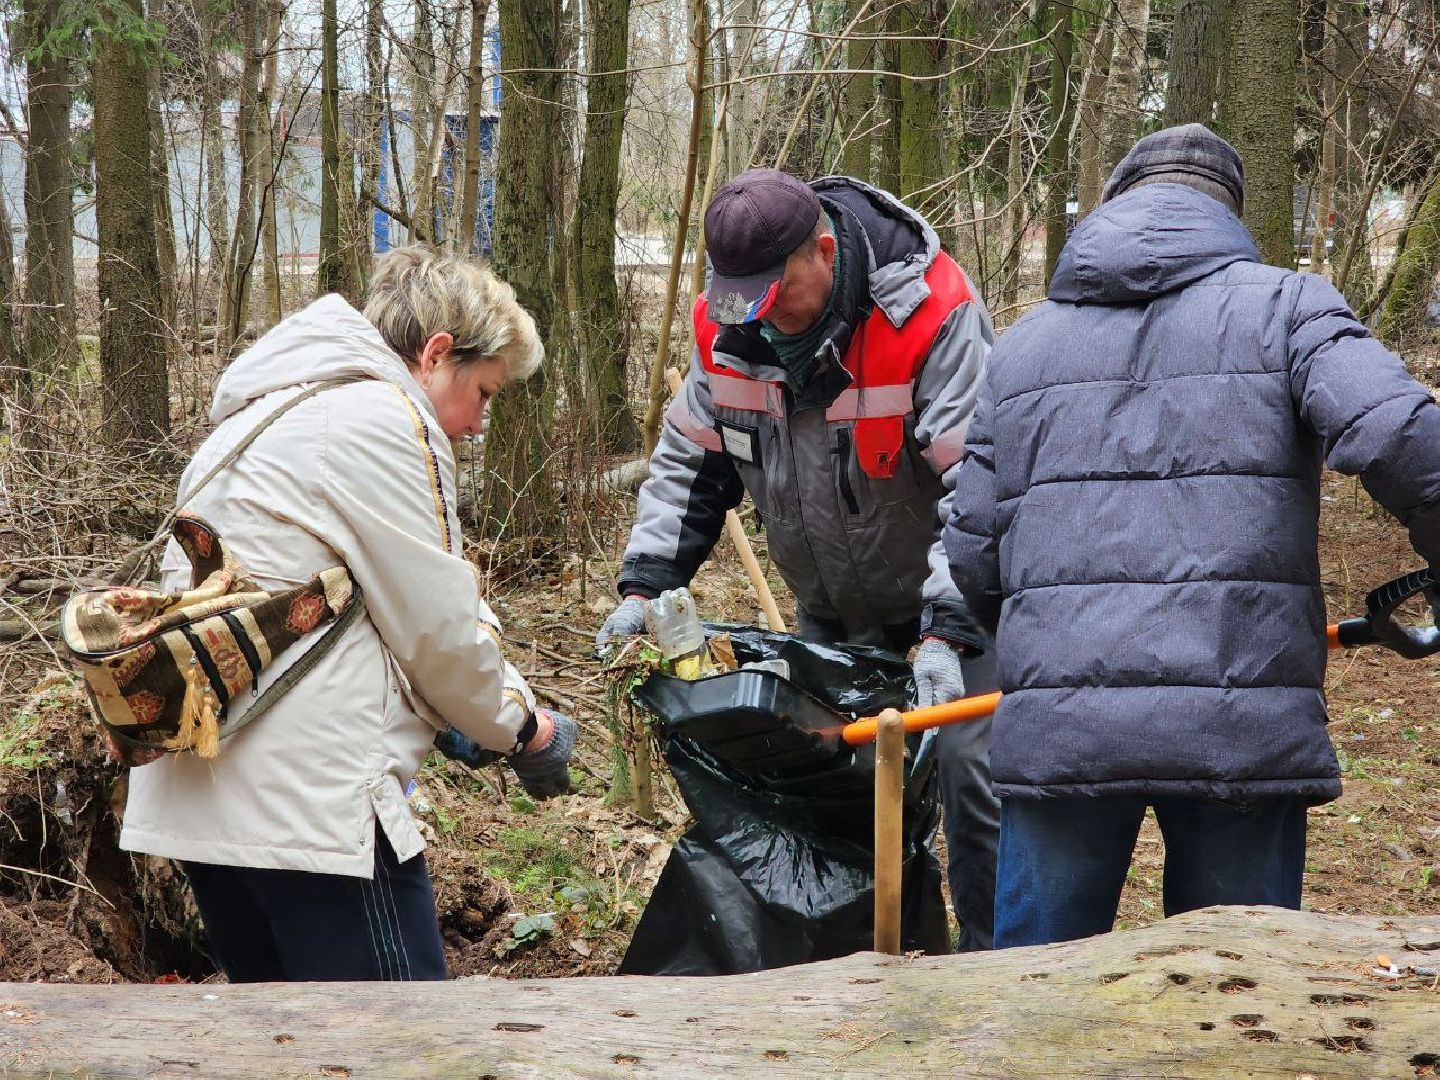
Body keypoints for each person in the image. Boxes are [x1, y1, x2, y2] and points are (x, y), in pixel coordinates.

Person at [942, 124, 1440, 949]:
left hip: (1064, 729)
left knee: (1031, 1007)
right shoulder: (1289, 307)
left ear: (1114, 207)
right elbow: (1403, 438)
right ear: (1228, 216)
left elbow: (970, 554)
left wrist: (1055, 643)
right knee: (1241, 994)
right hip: (1238, 722)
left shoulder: (1022, 349)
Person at [119, 246, 577, 982]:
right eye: (485, 394)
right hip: (311, 813)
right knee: (399, 1045)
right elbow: (438, 633)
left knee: (287, 1050)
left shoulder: (266, 412)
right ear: (435, 355)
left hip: (205, 804)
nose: (479, 424)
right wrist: (522, 725)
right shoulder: (381, 419)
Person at [597, 168, 1000, 949]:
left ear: (821, 250)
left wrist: (948, 629)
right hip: (831, 610)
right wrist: (647, 584)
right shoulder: (727, 333)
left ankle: (996, 971)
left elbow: (980, 485)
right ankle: (870, 962)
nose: (760, 314)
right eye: (741, 296)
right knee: (844, 790)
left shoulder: (931, 316)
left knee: (972, 778)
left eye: (776, 292)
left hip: (953, 605)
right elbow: (689, 465)